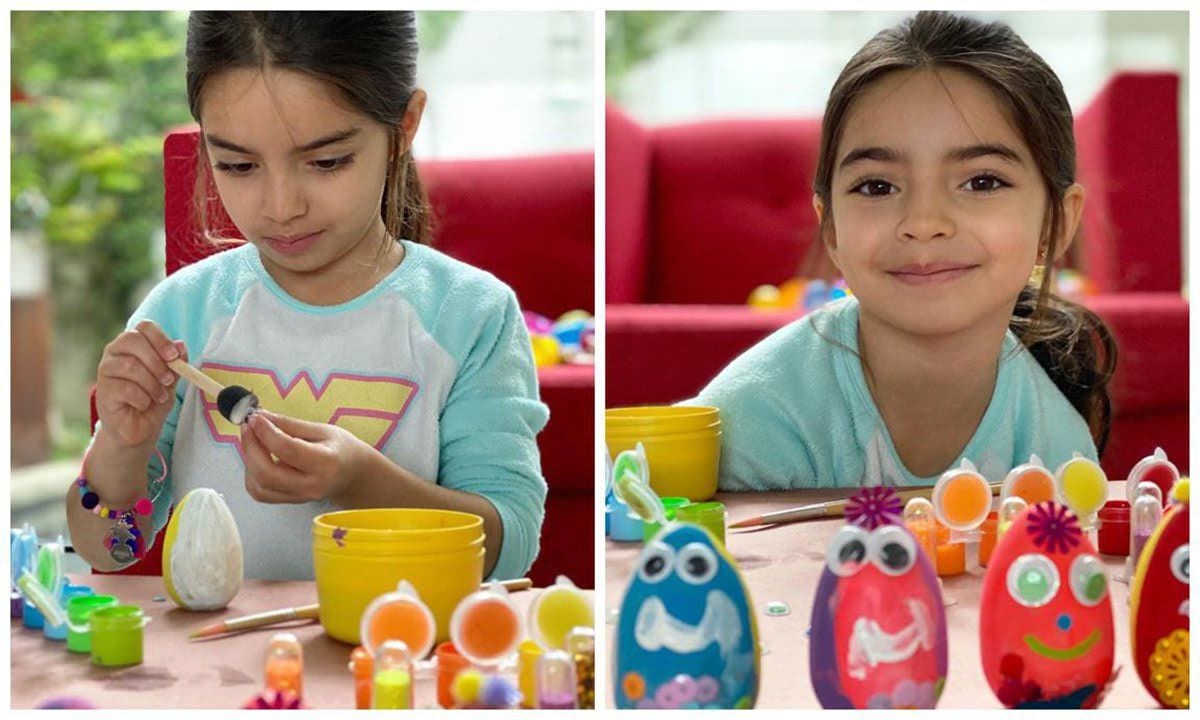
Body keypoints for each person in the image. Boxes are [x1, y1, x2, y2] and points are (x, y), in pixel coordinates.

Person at [67, 11, 549, 581]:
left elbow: (510, 545)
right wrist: (123, 445)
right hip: (225, 664)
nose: (281, 206)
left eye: (326, 162)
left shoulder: (471, 317)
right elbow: (109, 550)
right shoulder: (183, 315)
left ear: (404, 127)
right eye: (238, 165)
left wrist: (361, 482)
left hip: (401, 659)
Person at [687, 11, 1116, 490]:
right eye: (876, 186)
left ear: (1056, 223)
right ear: (831, 229)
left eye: (982, 181)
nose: (923, 224)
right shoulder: (748, 426)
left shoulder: (1057, 449)